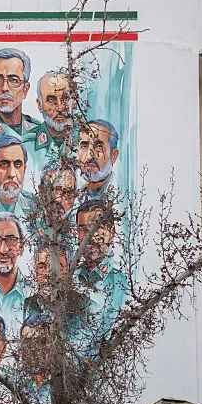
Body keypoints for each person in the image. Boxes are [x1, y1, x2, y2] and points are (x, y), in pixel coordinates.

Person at [74, 201, 128, 339]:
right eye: (82, 229)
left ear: (112, 231)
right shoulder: (71, 277)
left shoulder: (122, 281)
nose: (89, 236)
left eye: (96, 228)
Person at [23, 71, 74, 164]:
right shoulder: (25, 146)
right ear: (39, 105)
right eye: (51, 99)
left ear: (74, 102)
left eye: (66, 99)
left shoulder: (88, 140)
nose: (60, 107)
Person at [77, 119, 120, 201]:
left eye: (98, 146)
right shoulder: (72, 192)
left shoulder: (121, 193)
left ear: (113, 156)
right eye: (84, 146)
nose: (89, 156)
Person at [19, 314, 52, 404]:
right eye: (27, 342)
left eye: (40, 342)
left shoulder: (62, 383)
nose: (33, 348)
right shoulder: (16, 384)